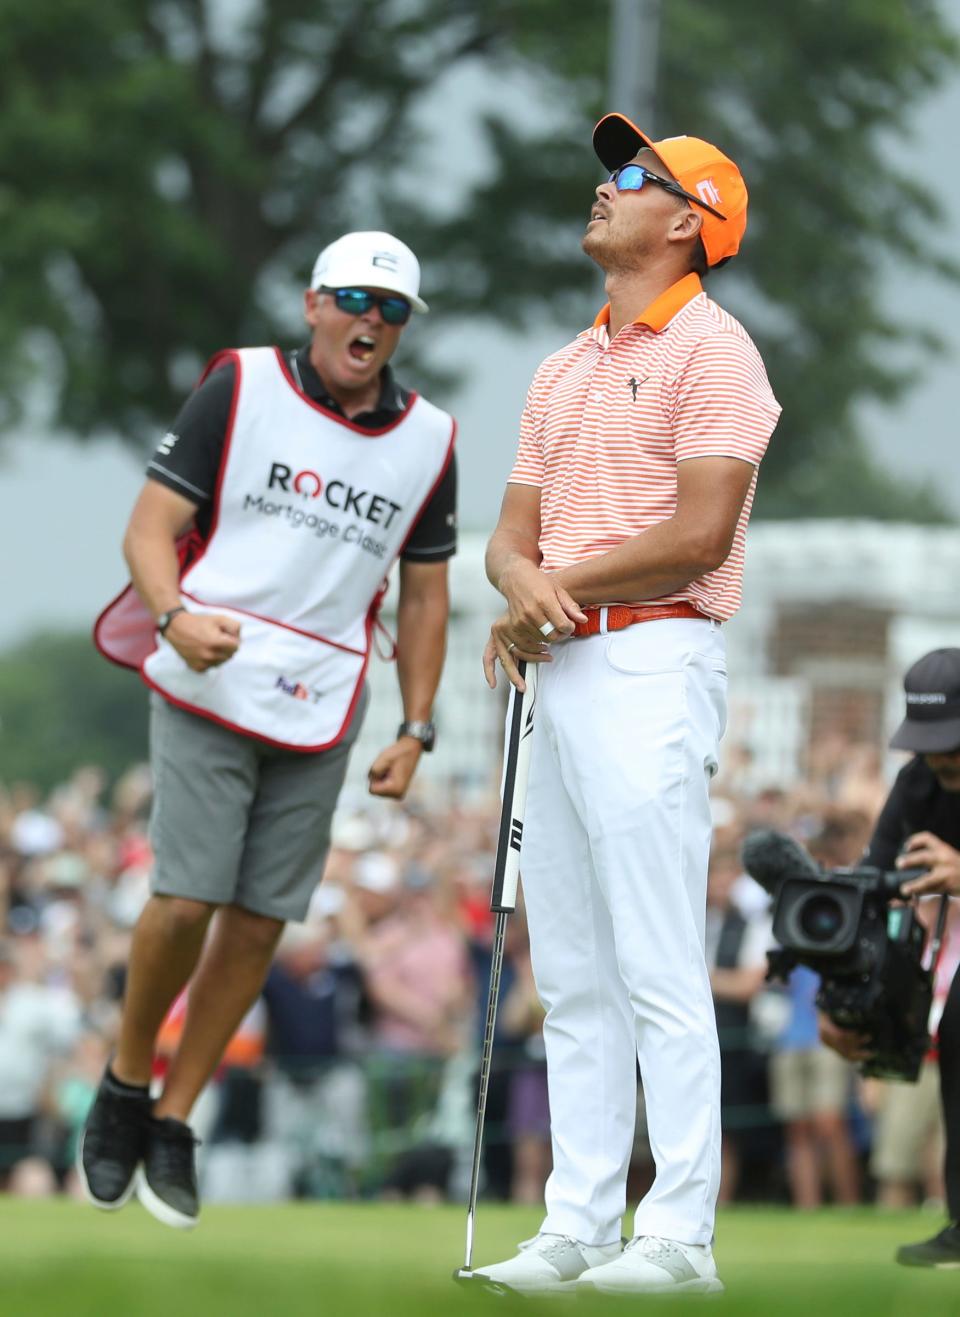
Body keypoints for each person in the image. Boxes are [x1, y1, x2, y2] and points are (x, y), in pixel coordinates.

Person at [80, 231, 457, 1230]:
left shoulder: (431, 440)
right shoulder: (239, 386)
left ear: (403, 328)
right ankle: (126, 1082)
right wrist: (172, 614)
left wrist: (418, 724)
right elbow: (148, 527)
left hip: (326, 695)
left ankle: (174, 1116)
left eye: (391, 311)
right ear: (313, 304)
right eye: (354, 301)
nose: (370, 322)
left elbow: (425, 599)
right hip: (210, 665)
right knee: (187, 897)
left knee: (259, 926)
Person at [477, 115, 781, 1296]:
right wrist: (524, 588)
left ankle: (680, 1235)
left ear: (688, 224)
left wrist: (551, 588)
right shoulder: (563, 364)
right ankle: (578, 1220)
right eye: (610, 172)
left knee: (657, 957)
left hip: (654, 658)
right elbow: (513, 535)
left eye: (632, 178)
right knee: (574, 967)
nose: (604, 191)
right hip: (558, 666)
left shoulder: (718, 352)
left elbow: (700, 533)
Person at [818, 649, 960, 1267]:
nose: (940, 757)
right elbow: (872, 887)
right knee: (954, 1031)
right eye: (931, 743)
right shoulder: (917, 783)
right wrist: (839, 1001)